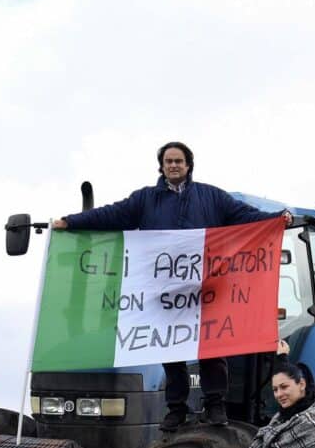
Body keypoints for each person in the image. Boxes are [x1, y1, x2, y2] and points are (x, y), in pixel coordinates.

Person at [52, 141, 291, 431]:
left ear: (189, 165)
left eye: (179, 161)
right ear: (162, 166)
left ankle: (215, 405)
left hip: (207, 289)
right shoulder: (145, 200)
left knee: (212, 349)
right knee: (169, 350)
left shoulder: (212, 197)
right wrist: (71, 222)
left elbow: (245, 215)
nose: (174, 165)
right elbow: (111, 214)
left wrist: (277, 219)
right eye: (169, 161)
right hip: (164, 291)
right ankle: (176, 409)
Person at [247, 340, 315, 448]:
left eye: (284, 387)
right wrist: (282, 358)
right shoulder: (281, 420)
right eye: (275, 390)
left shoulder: (313, 425)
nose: (278, 394)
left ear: (301, 384)